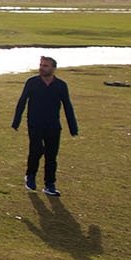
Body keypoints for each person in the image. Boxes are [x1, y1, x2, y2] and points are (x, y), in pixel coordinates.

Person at [11, 55, 80, 197]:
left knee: (51, 156)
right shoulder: (32, 82)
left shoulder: (61, 85)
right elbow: (22, 101)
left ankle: (50, 185)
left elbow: (67, 105)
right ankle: (30, 175)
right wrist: (16, 121)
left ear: (53, 68)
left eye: (45, 66)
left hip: (53, 125)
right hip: (35, 124)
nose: (42, 68)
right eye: (41, 65)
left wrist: (73, 127)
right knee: (36, 150)